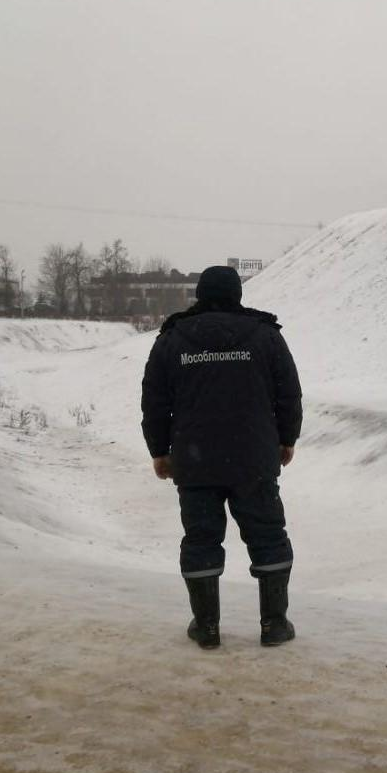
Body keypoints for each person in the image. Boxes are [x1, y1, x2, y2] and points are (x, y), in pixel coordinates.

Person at [140, 265, 303, 650]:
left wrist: (160, 451)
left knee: (201, 540)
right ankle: (275, 625)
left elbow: (155, 402)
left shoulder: (173, 338)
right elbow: (288, 395)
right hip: (254, 459)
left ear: (199, 293)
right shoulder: (265, 335)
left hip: (195, 462)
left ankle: (207, 626)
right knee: (268, 537)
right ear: (237, 294)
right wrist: (286, 440)